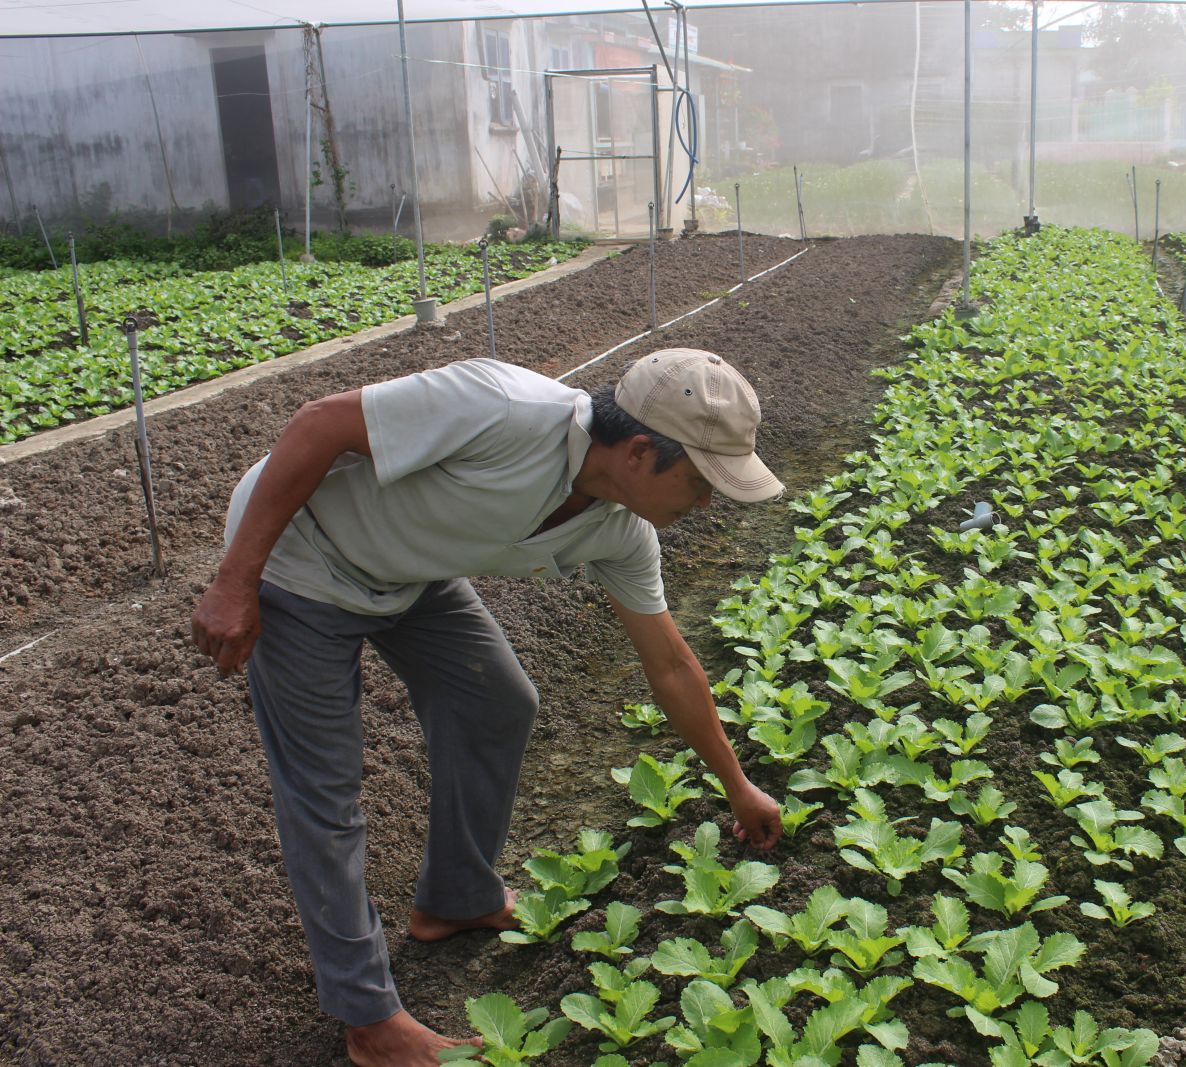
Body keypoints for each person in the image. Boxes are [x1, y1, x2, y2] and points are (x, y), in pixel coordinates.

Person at [190, 348, 785, 1067]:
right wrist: (234, 580)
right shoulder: (502, 408)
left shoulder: (619, 530)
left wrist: (737, 784)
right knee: (324, 786)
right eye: (699, 482)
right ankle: (367, 1016)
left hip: (404, 567)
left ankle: (456, 896)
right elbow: (319, 425)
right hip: (300, 557)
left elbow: (672, 666)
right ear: (637, 451)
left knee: (497, 699)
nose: (705, 504)